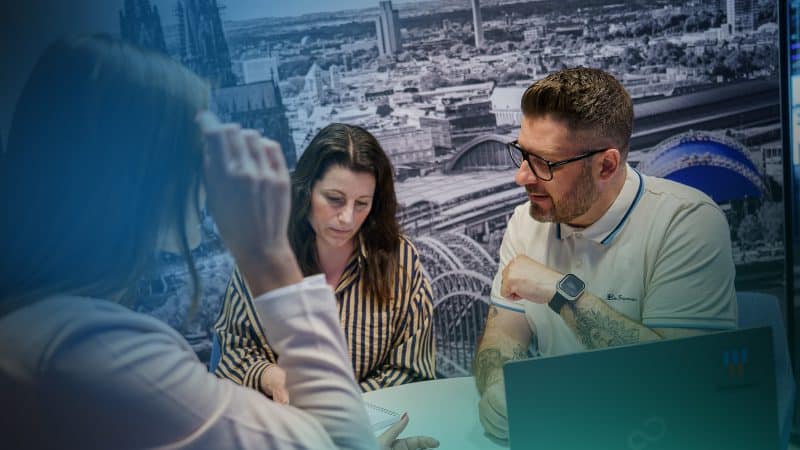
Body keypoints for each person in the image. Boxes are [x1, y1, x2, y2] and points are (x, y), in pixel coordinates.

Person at [0, 35, 438, 450]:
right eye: (199, 151)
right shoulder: (96, 353)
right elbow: (340, 443)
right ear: (144, 182)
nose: (211, 173)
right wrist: (268, 258)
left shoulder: (39, 328)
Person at [473, 67, 737, 440]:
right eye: (521, 153)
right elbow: (504, 334)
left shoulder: (687, 222)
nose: (522, 177)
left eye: (544, 163)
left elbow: (683, 382)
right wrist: (499, 386)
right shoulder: (525, 222)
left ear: (607, 165)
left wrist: (561, 293)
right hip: (556, 434)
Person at [213, 123, 435, 402]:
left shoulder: (399, 259)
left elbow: (412, 371)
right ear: (306, 191)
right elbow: (234, 351)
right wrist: (268, 376)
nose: (347, 218)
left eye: (362, 204)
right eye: (334, 200)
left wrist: (340, 406)